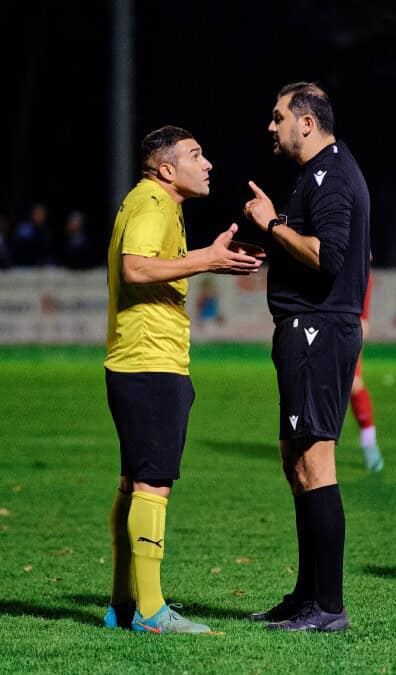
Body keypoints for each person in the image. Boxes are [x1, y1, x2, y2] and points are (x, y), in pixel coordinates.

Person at [102, 125, 264, 634]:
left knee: (134, 483)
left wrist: (206, 261)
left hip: (136, 360)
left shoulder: (150, 202)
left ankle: (123, 606)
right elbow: (135, 268)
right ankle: (150, 612)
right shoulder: (152, 203)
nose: (209, 163)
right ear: (167, 169)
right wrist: (209, 259)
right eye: (197, 155)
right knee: (153, 484)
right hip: (151, 363)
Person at [242, 81, 370, 632]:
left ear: (307, 123)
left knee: (315, 462)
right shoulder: (317, 175)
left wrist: (271, 224)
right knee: (295, 460)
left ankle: (330, 607)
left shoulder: (332, 174)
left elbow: (329, 255)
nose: (271, 127)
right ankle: (306, 596)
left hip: (321, 330)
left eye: (278, 118)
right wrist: (272, 242)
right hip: (304, 329)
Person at [350, 269, 383, 472]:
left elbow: (362, 274)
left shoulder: (357, 246)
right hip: (319, 319)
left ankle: (369, 443)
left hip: (349, 322)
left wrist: (363, 318)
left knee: (353, 384)